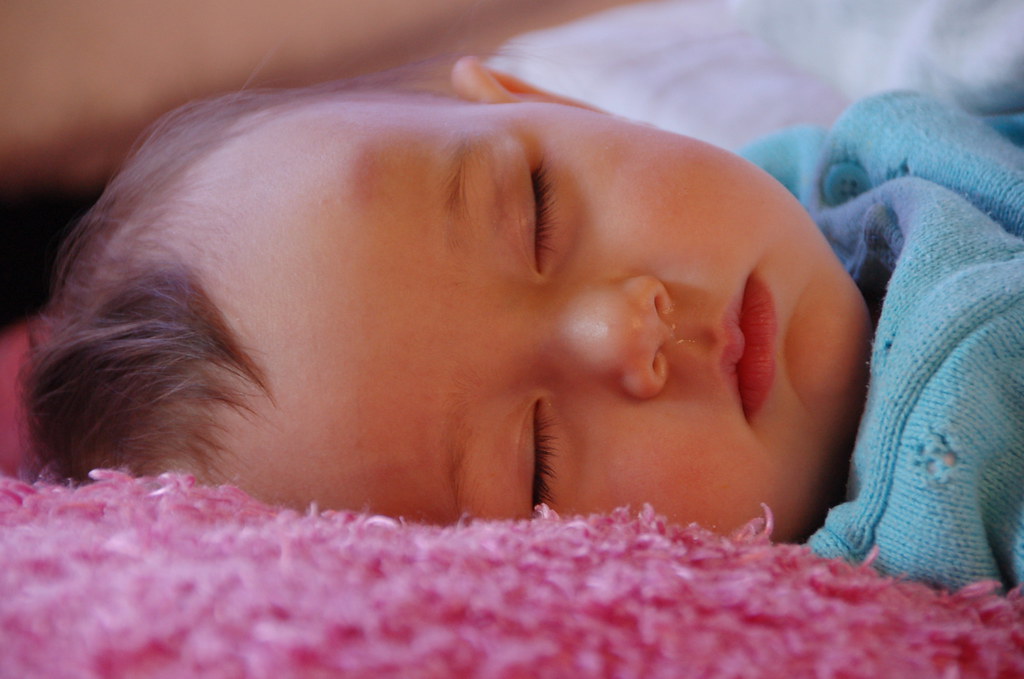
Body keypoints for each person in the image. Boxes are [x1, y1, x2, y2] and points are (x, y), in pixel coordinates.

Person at [22, 57, 1023, 589]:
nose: (625, 333)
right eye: (535, 462)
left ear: (544, 97)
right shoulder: (930, 543)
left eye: (537, 211)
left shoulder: (863, 160)